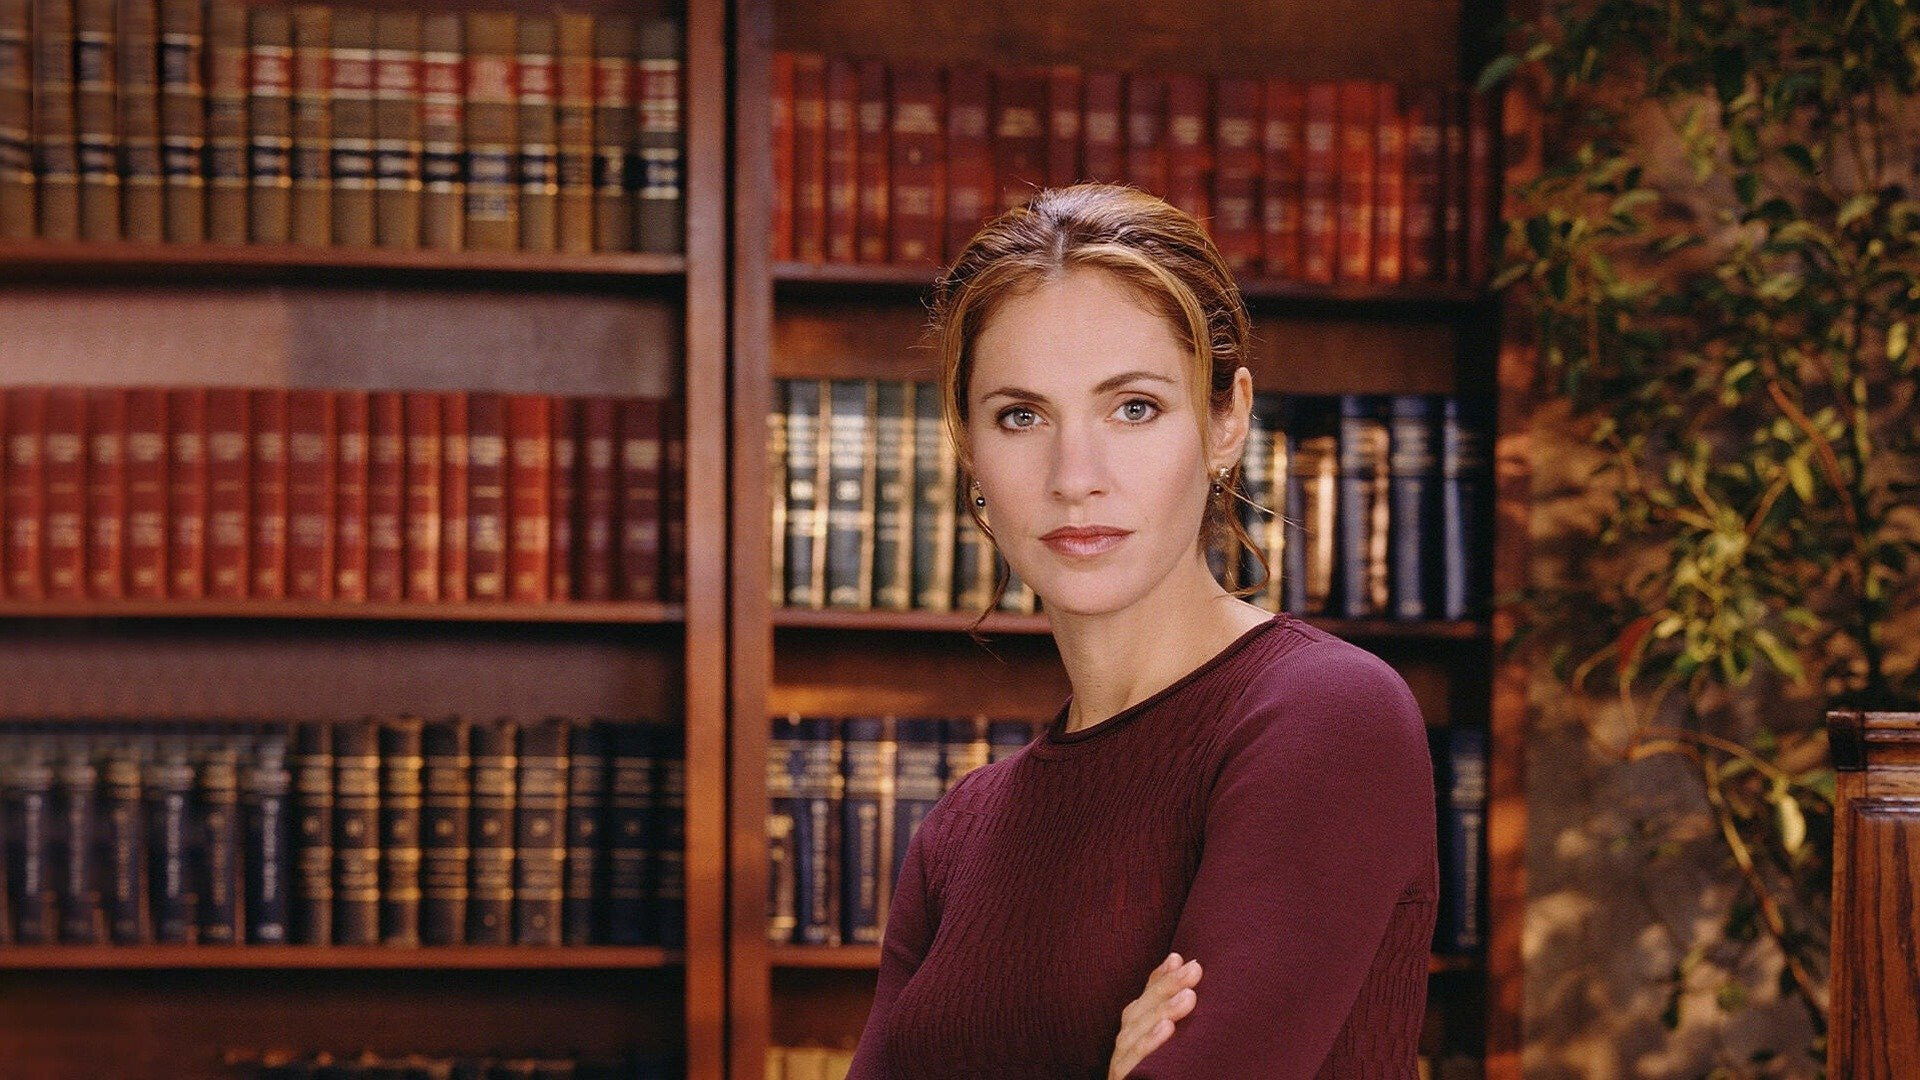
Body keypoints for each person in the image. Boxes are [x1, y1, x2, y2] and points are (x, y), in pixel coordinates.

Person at [843, 183, 1439, 1079]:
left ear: (1226, 420)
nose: (1075, 475)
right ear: (970, 447)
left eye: (1133, 408)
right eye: (1021, 416)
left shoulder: (1326, 718)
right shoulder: (958, 835)